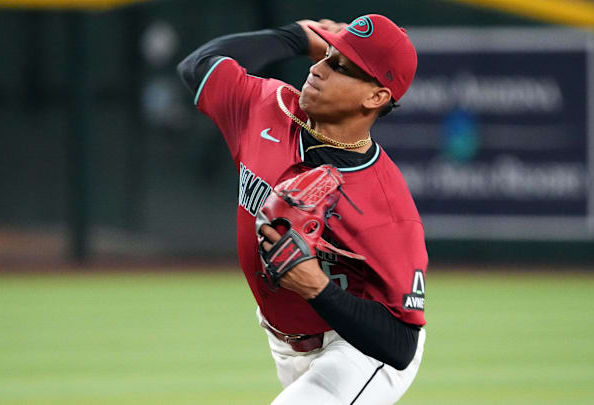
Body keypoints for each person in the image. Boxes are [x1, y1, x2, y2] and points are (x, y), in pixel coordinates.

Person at [178, 14, 428, 404]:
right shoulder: (266, 107)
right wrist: (292, 37)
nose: (317, 69)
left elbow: (400, 345)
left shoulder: (387, 205)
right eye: (326, 54)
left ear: (376, 97)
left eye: (340, 66)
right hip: (284, 342)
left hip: (359, 350)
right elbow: (198, 67)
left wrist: (318, 287)